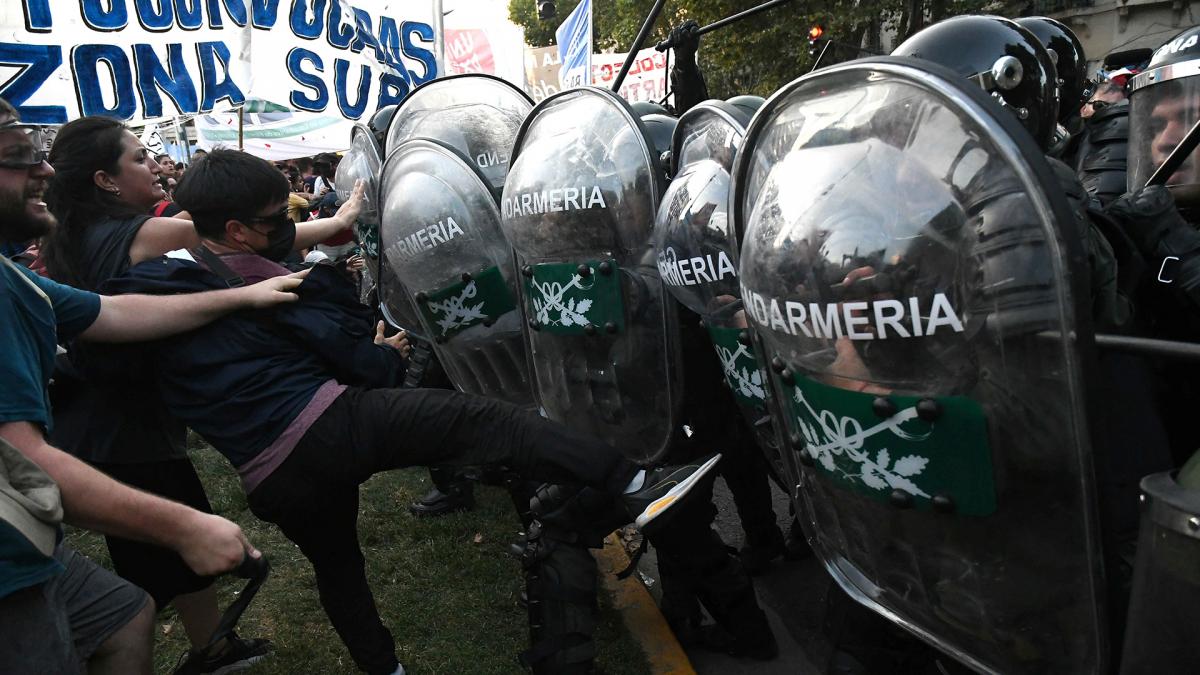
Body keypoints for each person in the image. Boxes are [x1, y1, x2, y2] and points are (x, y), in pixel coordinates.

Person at [103, 148, 722, 675]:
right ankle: (635, 485)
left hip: (269, 477)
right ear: (238, 231)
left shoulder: (159, 287)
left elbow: (107, 326)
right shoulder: (286, 289)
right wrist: (382, 350)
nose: (289, 232)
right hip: (328, 424)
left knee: (339, 570)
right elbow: (368, 369)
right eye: (276, 222)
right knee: (489, 421)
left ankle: (385, 668)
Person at [37, 115, 363, 672]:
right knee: (169, 540)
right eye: (138, 158)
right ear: (105, 180)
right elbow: (246, 235)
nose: (154, 164)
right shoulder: (141, 233)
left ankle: (211, 645)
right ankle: (199, 647)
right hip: (125, 424)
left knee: (157, 543)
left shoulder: (70, 233)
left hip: (97, 418)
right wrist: (344, 216)